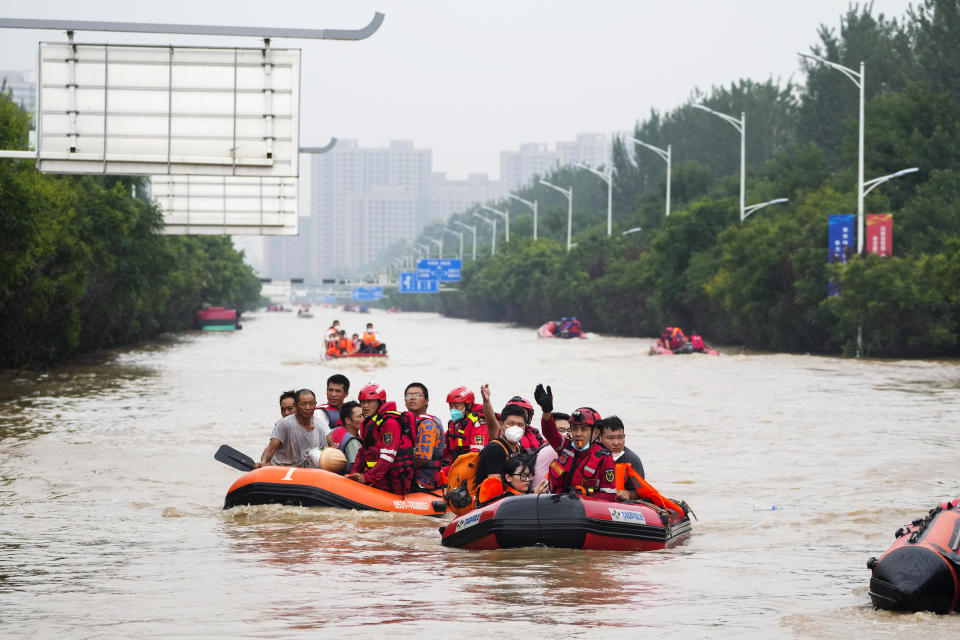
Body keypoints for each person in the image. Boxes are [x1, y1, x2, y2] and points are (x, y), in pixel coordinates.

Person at [533, 384, 617, 502]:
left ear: (595, 432)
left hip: (585, 510)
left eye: (583, 429)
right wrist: (547, 412)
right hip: (557, 504)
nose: (577, 434)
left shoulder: (604, 458)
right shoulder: (565, 446)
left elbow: (609, 495)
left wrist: (582, 498)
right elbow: (549, 432)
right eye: (574, 428)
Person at [347, 384, 415, 494]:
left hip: (393, 482)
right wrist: (354, 473)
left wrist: (366, 478)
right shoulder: (367, 423)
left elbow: (387, 457)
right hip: (377, 479)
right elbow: (363, 452)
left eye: (370, 402)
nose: (365, 406)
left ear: (380, 402)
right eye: (363, 402)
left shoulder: (390, 422)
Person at [255, 388, 332, 468]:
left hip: (304, 470)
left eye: (311, 404)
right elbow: (271, 449)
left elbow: (327, 450)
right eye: (303, 404)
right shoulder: (284, 423)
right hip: (281, 468)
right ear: (296, 405)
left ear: (315, 405)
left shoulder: (320, 426)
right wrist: (263, 462)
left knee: (315, 454)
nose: (308, 408)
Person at [474, 383, 526, 488]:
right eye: (510, 424)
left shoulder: (518, 447)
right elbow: (494, 489)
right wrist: (486, 401)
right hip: (489, 501)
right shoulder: (495, 449)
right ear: (501, 425)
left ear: (525, 427)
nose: (515, 428)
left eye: (520, 425)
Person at [404, 382, 445, 490]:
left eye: (417, 395)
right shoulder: (405, 423)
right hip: (409, 478)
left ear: (426, 401)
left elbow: (423, 458)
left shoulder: (427, 424)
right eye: (408, 395)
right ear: (405, 401)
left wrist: (396, 466)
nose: (412, 398)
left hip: (423, 482)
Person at [597, 416, 646, 501]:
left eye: (620, 437)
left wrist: (628, 494)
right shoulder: (591, 456)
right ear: (599, 438)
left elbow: (640, 492)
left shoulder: (632, 460)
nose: (616, 443)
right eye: (610, 438)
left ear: (624, 436)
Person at [441, 386, 487, 472]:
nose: (452, 409)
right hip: (455, 466)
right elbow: (443, 446)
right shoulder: (455, 423)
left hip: (470, 470)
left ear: (468, 405)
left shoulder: (479, 424)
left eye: (456, 406)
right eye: (450, 406)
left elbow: (476, 455)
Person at [329, 400, 363, 472]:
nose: (364, 419)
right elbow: (356, 468)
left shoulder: (331, 432)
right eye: (360, 416)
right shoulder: (352, 441)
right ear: (348, 420)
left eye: (363, 415)